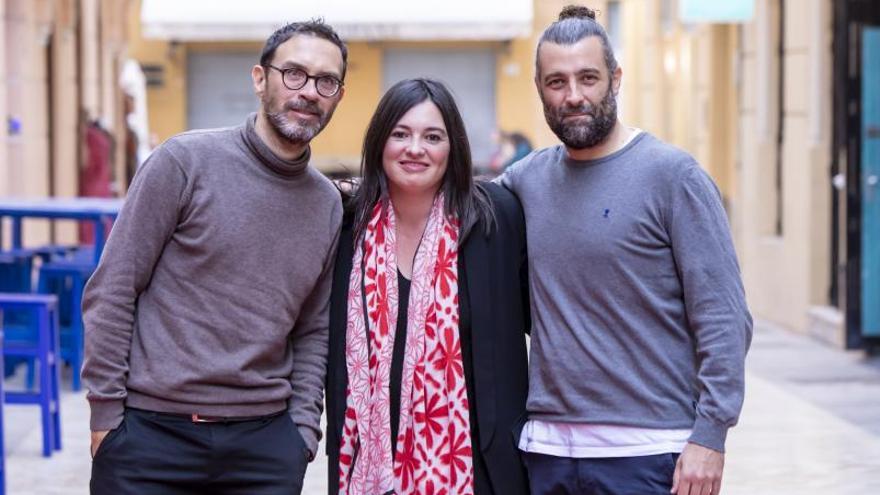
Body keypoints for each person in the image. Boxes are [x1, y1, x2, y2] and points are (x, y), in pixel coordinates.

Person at [82, 19, 347, 494]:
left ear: (337, 96)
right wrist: (107, 417)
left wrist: (302, 433)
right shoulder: (183, 162)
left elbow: (313, 329)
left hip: (264, 448)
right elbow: (113, 288)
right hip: (150, 437)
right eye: (294, 73)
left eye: (325, 80)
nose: (309, 90)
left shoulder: (326, 203)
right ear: (260, 78)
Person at [499, 5, 752, 495]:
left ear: (615, 78)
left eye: (588, 77)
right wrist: (353, 192)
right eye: (557, 82)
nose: (573, 96)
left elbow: (724, 318)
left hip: (651, 453)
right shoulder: (524, 181)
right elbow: (446, 203)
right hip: (548, 451)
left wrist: (711, 436)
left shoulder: (673, 176)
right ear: (539, 88)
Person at [326, 78, 530, 495]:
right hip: (365, 467)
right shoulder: (346, 226)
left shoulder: (496, 220)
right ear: (379, 142)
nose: (415, 148)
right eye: (400, 134)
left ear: (452, 147)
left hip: (476, 471)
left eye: (432, 136)